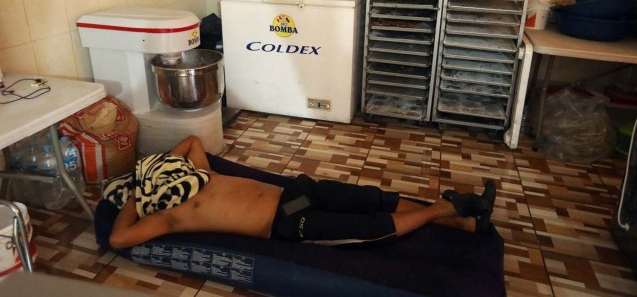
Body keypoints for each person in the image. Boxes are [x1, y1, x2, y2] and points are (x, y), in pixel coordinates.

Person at [109, 135, 496, 249]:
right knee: (365, 225)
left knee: (366, 197)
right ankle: (447, 209)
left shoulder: (200, 175)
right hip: (287, 221)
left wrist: (154, 166)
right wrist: (136, 195)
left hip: (294, 194)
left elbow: (192, 141)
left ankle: (464, 219)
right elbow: (120, 237)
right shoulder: (168, 216)